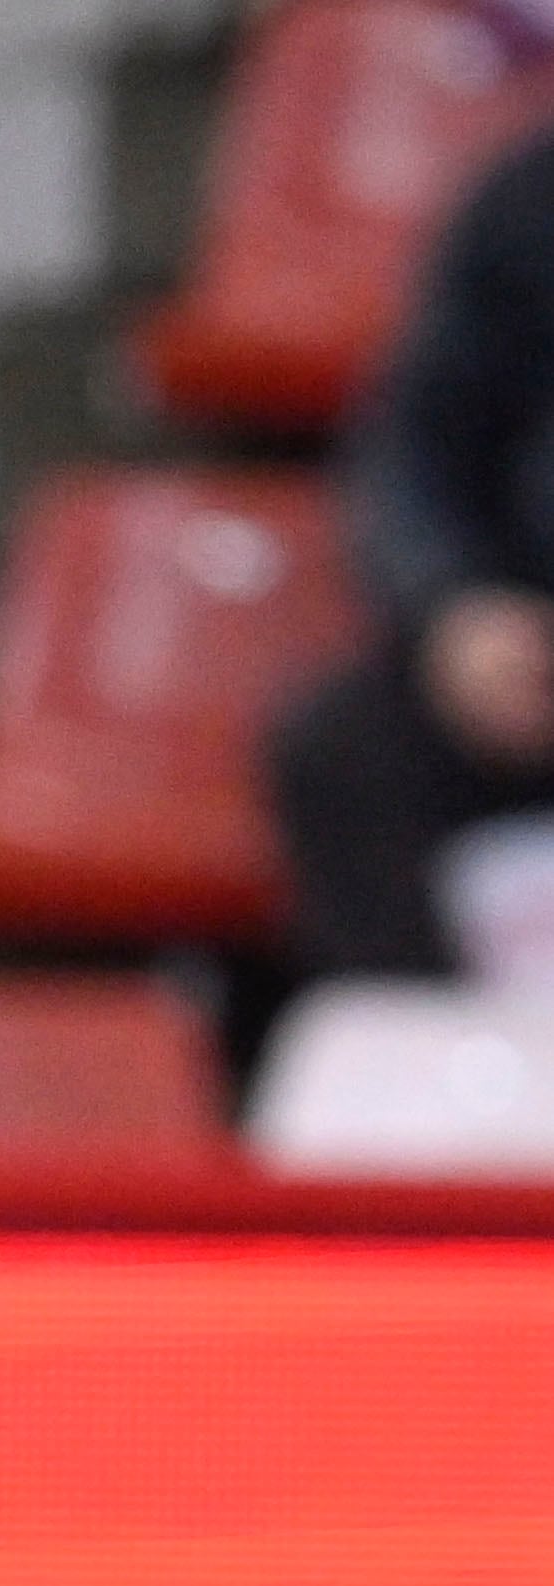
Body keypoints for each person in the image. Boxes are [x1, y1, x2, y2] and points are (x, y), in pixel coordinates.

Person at [272, 116, 554, 986]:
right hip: (526, 648)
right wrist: (455, 608)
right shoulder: (527, 203)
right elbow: (414, 446)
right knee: (345, 747)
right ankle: (437, 1077)